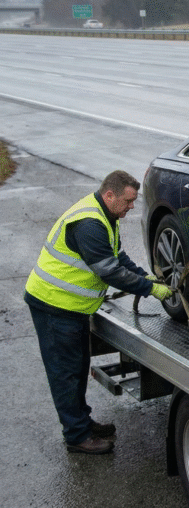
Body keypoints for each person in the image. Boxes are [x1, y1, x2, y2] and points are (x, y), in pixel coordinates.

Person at [25, 170, 173, 454]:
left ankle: (81, 423)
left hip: (72, 309)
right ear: (109, 195)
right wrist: (149, 289)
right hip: (54, 307)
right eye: (128, 201)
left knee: (77, 370)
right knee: (65, 374)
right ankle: (77, 437)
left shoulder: (106, 216)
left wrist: (145, 276)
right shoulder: (90, 223)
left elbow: (118, 257)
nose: (132, 207)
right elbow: (110, 271)